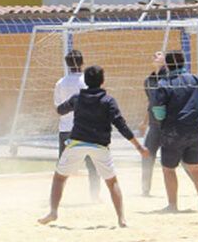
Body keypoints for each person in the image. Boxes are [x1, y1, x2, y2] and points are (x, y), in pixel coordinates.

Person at [38, 65, 149, 227]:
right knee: (112, 183)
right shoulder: (108, 101)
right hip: (100, 146)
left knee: (60, 178)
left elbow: (61, 110)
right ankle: (121, 219)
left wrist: (59, 106)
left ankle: (53, 211)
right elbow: (121, 125)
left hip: (77, 143)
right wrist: (138, 147)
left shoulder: (77, 98)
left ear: (86, 81)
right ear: (102, 81)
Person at [151, 51, 198, 213]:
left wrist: (164, 123)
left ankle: (172, 205)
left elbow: (158, 112)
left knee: (169, 169)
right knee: (196, 168)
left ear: (167, 65)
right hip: (195, 130)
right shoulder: (196, 80)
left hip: (173, 131)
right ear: (184, 63)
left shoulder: (164, 84)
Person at [54, 49, 100, 201]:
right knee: (93, 164)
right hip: (86, 128)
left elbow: (58, 107)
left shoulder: (60, 83)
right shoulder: (87, 82)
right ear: (82, 63)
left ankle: (57, 197)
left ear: (67, 65)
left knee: (62, 166)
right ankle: (95, 195)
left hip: (66, 129)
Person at [138, 51, 168, 196]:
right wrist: (144, 122)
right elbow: (151, 103)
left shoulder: (170, 77)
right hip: (155, 125)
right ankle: (145, 189)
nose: (155, 56)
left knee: (180, 155)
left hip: (170, 125)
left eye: (159, 54)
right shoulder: (149, 80)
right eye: (154, 55)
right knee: (147, 155)